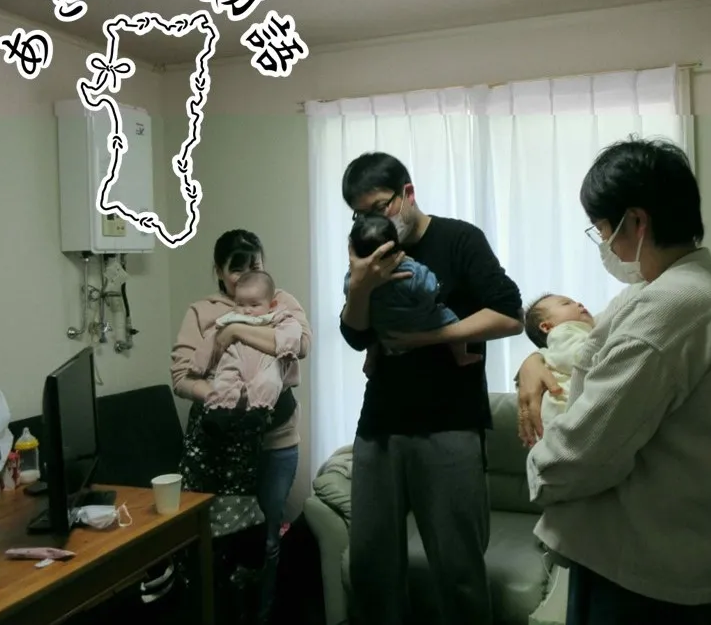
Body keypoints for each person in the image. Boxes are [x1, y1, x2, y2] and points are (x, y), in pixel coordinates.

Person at [516, 137, 711, 625]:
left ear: (637, 222)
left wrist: (538, 465)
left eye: (604, 230)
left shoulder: (669, 309)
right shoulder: (668, 292)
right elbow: (587, 352)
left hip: (648, 579)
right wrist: (532, 360)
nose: (604, 244)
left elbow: (584, 452)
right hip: (657, 562)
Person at [339, 152, 524, 625]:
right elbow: (356, 335)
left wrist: (428, 338)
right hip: (380, 424)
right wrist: (360, 285)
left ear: (408, 193)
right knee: (370, 566)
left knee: (458, 570)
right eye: (360, 214)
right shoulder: (367, 250)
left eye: (380, 206)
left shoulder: (460, 238)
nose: (373, 220)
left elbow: (510, 313)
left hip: (451, 422)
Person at [171, 230, 311, 625]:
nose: (247, 274)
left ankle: (262, 614)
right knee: (221, 540)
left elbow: (300, 345)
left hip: (275, 444)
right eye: (236, 268)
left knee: (267, 538)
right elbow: (181, 377)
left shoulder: (281, 302)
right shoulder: (202, 311)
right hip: (220, 446)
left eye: (255, 264)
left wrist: (234, 330)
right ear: (218, 271)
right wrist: (225, 396)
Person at [188, 270, 305, 495]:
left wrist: (287, 348)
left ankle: (258, 412)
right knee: (224, 381)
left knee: (268, 381)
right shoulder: (227, 318)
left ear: (271, 304)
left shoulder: (278, 315)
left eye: (254, 305)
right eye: (241, 304)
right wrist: (198, 365)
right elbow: (211, 340)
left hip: (264, 365)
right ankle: (219, 411)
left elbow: (296, 335)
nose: (247, 310)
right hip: (234, 362)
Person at [345, 213, 482, 368]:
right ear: (396, 245)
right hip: (417, 322)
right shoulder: (409, 271)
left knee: (373, 334)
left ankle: (370, 359)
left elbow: (348, 289)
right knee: (453, 321)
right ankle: (461, 356)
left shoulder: (355, 277)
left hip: (384, 328)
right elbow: (430, 289)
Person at [522, 286, 641, 431]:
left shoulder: (584, 330)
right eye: (566, 303)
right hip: (563, 411)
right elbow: (580, 358)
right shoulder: (563, 332)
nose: (578, 303)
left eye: (575, 301)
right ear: (547, 327)